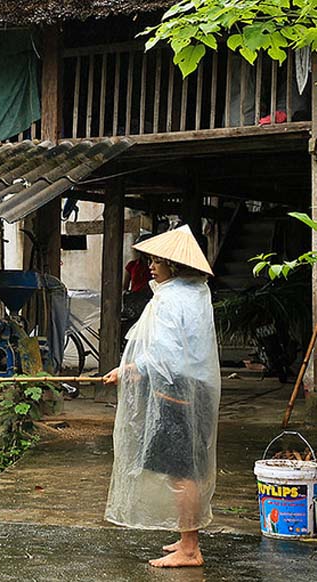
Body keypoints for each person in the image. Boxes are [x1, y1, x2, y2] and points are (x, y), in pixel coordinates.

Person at [102, 225, 221, 568]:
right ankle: (186, 538)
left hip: (178, 390)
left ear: (175, 265)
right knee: (185, 468)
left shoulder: (171, 298)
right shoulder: (196, 292)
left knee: (184, 471)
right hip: (194, 387)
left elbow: (166, 355)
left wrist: (127, 370)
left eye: (157, 261)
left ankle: (190, 548)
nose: (151, 267)